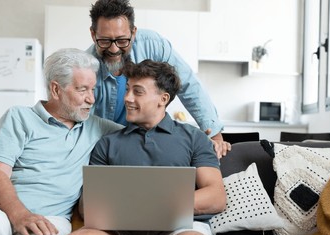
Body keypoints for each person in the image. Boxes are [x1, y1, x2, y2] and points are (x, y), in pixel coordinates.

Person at [55, 60, 226, 235]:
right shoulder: (107, 143)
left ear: (163, 99)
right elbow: (88, 206)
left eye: (138, 91)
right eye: (127, 90)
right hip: (120, 233)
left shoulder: (194, 138)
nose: (127, 98)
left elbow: (216, 196)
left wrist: (154, 205)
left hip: (178, 231)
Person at [0, 48, 123, 235]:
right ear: (56, 90)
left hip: (51, 216)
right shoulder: (19, 117)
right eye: (82, 90)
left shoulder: (99, 128)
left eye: (93, 89)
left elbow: (141, 135)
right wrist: (20, 214)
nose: (91, 99)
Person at [87, 0, 231, 158]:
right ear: (93, 35)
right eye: (105, 41)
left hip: (149, 139)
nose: (114, 49)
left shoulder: (153, 44)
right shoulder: (86, 67)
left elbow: (189, 85)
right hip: (110, 145)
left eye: (122, 40)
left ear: (133, 33)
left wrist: (214, 134)